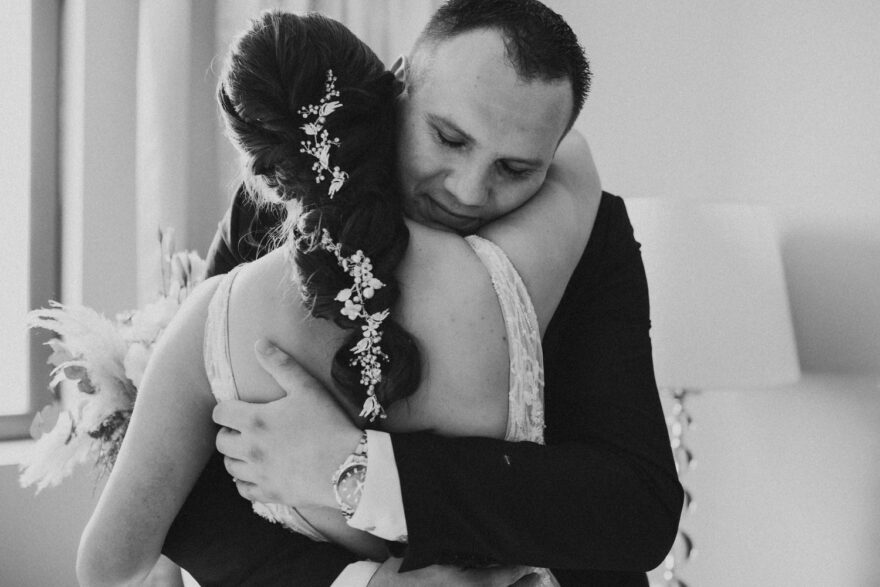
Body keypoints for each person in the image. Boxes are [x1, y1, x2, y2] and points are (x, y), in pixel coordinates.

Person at [76, 6, 640, 587]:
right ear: (395, 88)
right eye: (448, 138)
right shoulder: (514, 269)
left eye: (517, 168)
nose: (469, 191)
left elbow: (637, 507)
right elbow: (195, 494)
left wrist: (354, 471)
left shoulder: (589, 241)